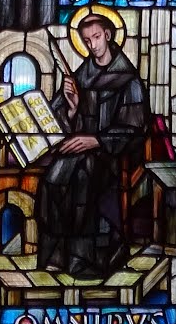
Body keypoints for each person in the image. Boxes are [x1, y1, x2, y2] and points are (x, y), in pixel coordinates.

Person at [37, 14, 150, 278]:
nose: (92, 45)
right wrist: (74, 107)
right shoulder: (82, 76)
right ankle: (57, 254)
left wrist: (97, 140)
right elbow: (60, 115)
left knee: (83, 176)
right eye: (87, 41)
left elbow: (135, 129)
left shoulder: (128, 79)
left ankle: (85, 258)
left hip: (112, 156)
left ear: (108, 35)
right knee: (53, 179)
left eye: (96, 37)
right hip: (80, 150)